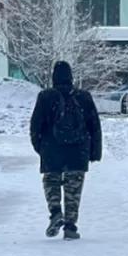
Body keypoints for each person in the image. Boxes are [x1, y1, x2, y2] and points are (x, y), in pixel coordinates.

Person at [30, 60, 102, 240]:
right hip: (78, 151)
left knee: (51, 182)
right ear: (71, 77)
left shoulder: (45, 97)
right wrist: (94, 152)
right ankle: (70, 226)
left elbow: (35, 125)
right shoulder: (83, 97)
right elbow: (94, 126)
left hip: (51, 149)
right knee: (73, 188)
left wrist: (40, 148)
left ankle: (55, 212)